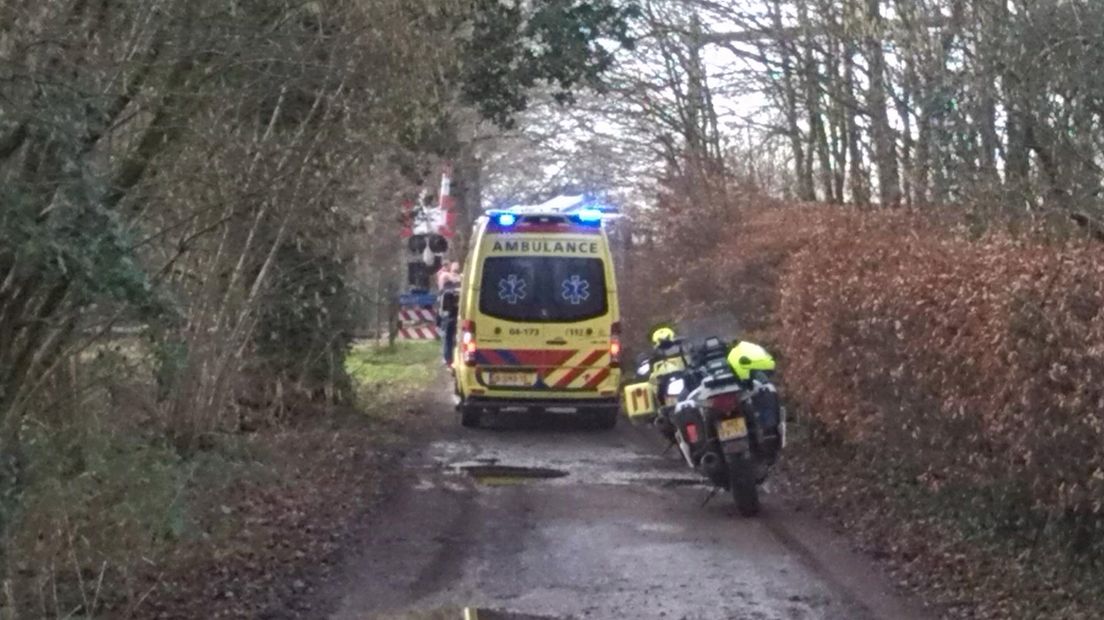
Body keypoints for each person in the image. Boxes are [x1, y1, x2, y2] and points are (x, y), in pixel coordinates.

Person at [437, 262, 462, 365]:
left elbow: (441, 289)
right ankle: (453, 358)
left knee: (447, 335)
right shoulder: (461, 279)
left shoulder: (445, 277)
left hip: (448, 312)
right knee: (455, 335)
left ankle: (447, 359)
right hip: (457, 312)